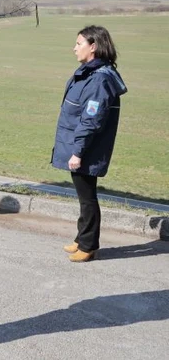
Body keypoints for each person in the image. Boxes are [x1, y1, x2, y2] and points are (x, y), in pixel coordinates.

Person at [52, 25, 127, 263]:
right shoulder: (90, 72)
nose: (74, 48)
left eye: (78, 43)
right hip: (80, 146)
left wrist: (77, 152)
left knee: (87, 198)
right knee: (84, 195)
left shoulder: (99, 79)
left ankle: (88, 245)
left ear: (93, 47)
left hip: (85, 150)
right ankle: (81, 237)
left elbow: (91, 120)